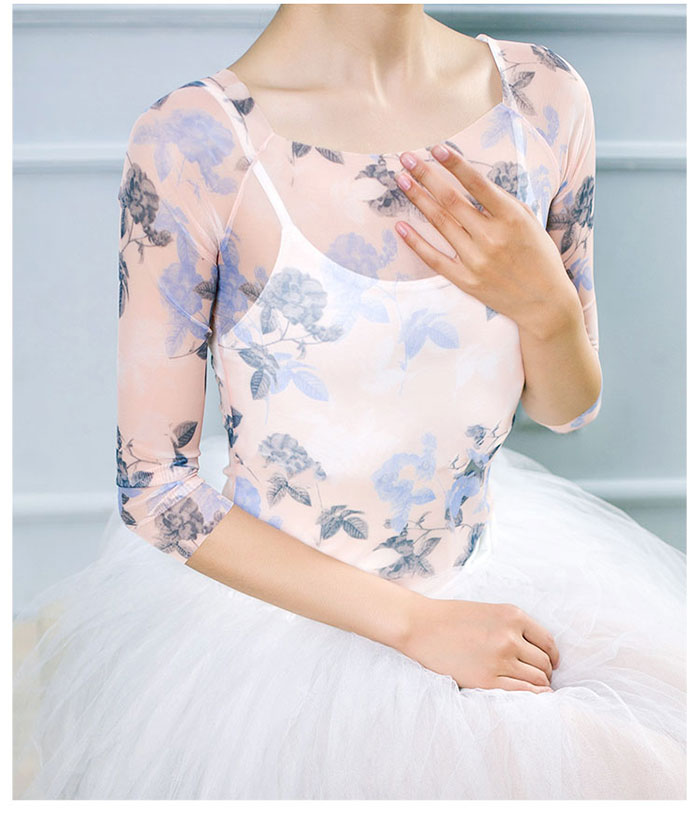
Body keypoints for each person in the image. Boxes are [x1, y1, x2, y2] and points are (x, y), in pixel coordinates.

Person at [14, 4, 686, 799]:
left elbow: (567, 408)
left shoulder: (542, 97)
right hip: (273, 645)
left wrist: (549, 311)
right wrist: (418, 625)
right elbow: (155, 490)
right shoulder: (195, 141)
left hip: (488, 575)